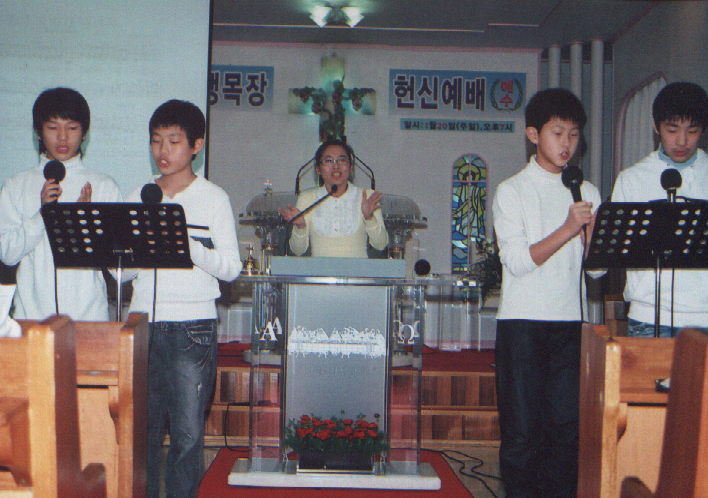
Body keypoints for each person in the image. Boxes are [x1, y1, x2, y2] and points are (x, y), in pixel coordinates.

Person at [123, 99, 241, 498]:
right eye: (156, 140)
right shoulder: (140, 196)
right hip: (143, 323)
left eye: (174, 141)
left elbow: (231, 268)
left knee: (188, 436)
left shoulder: (213, 197)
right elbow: (121, 274)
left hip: (193, 327)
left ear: (196, 146)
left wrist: (187, 245)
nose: (163, 150)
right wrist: (121, 254)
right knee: (142, 434)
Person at [492, 88, 601, 498]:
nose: (567, 143)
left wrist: (591, 238)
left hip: (570, 323)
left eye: (574, 134)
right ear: (533, 134)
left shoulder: (587, 191)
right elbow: (518, 262)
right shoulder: (512, 190)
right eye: (558, 133)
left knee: (566, 432)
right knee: (522, 433)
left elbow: (598, 269)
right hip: (522, 324)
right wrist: (569, 229)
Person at [0, 87, 122, 320]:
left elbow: (119, 268)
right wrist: (43, 215)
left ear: (84, 133)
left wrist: (87, 225)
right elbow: (7, 254)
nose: (63, 137)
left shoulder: (103, 186)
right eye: (53, 127)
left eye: (72, 128)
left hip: (89, 320)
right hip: (32, 319)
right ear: (38, 132)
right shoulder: (16, 185)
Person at [612, 82, 708, 337]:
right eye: (672, 130)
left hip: (704, 315)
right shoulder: (631, 179)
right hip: (649, 316)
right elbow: (619, 252)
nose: (682, 141)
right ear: (656, 127)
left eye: (692, 131)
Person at [278, 138, 388, 258]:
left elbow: (381, 245)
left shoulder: (367, 197)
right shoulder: (307, 198)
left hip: (358, 270)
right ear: (318, 169)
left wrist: (369, 218)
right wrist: (300, 226)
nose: (336, 166)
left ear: (351, 167)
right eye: (328, 161)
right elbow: (297, 251)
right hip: (319, 269)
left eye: (342, 160)